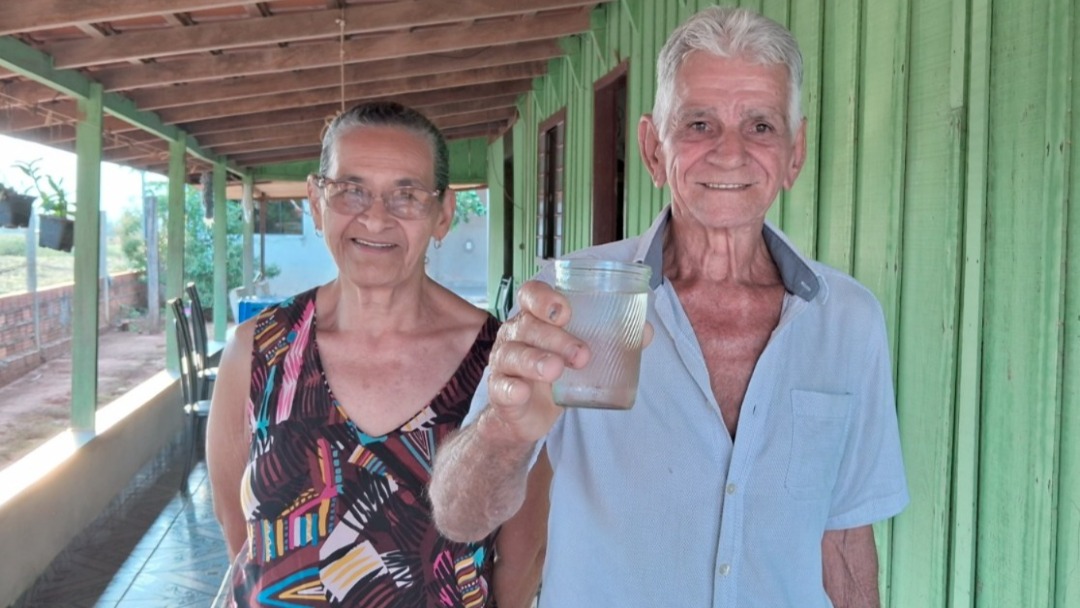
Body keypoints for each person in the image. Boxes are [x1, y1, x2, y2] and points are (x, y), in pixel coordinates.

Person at [429, 7, 909, 608]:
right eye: (699, 124)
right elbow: (460, 515)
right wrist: (504, 431)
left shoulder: (847, 321)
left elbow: (844, 538)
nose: (729, 152)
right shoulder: (572, 300)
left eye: (761, 126)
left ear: (795, 153)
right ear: (653, 150)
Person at [206, 101, 504, 607]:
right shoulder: (258, 350)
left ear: (443, 214)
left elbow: (521, 552)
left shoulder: (498, 363)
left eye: (405, 194)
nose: (375, 216)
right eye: (351, 190)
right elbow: (241, 533)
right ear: (317, 201)